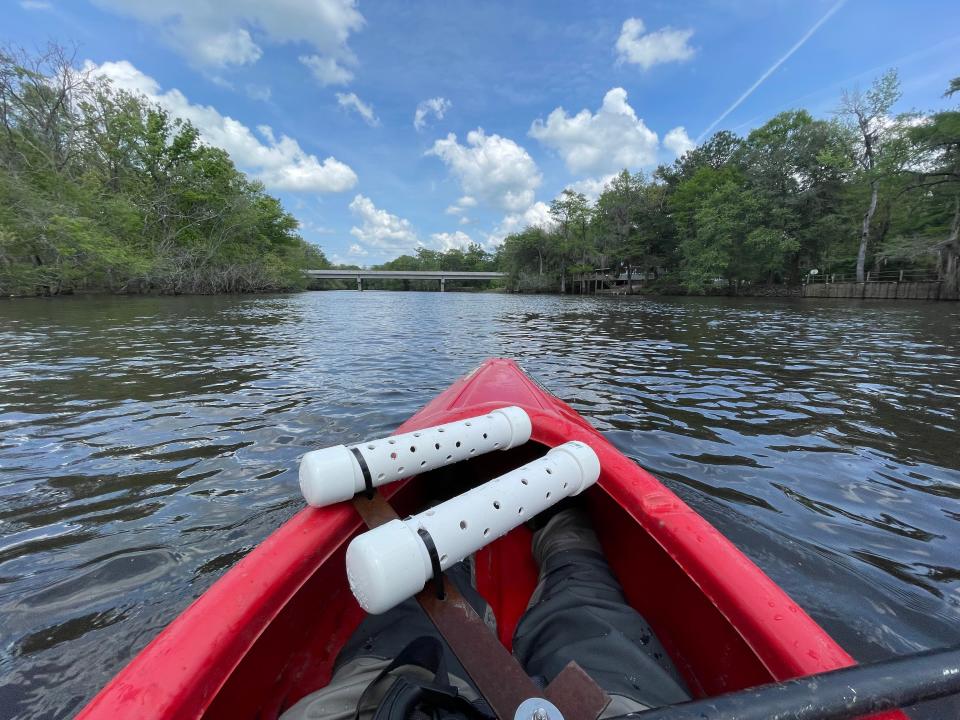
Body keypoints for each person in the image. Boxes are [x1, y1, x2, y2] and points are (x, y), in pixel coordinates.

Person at [282, 508, 690, 720]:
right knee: (587, 606)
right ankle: (562, 527)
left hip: (382, 707)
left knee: (415, 611)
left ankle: (446, 533)